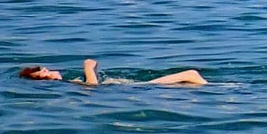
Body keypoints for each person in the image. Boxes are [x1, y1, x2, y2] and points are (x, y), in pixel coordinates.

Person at [19, 58, 206, 86]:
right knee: (190, 74)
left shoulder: (69, 83)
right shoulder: (66, 86)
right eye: (42, 73)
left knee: (190, 84)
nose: (46, 69)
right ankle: (228, 89)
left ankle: (225, 89)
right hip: (133, 90)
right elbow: (93, 88)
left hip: (129, 88)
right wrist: (88, 67)